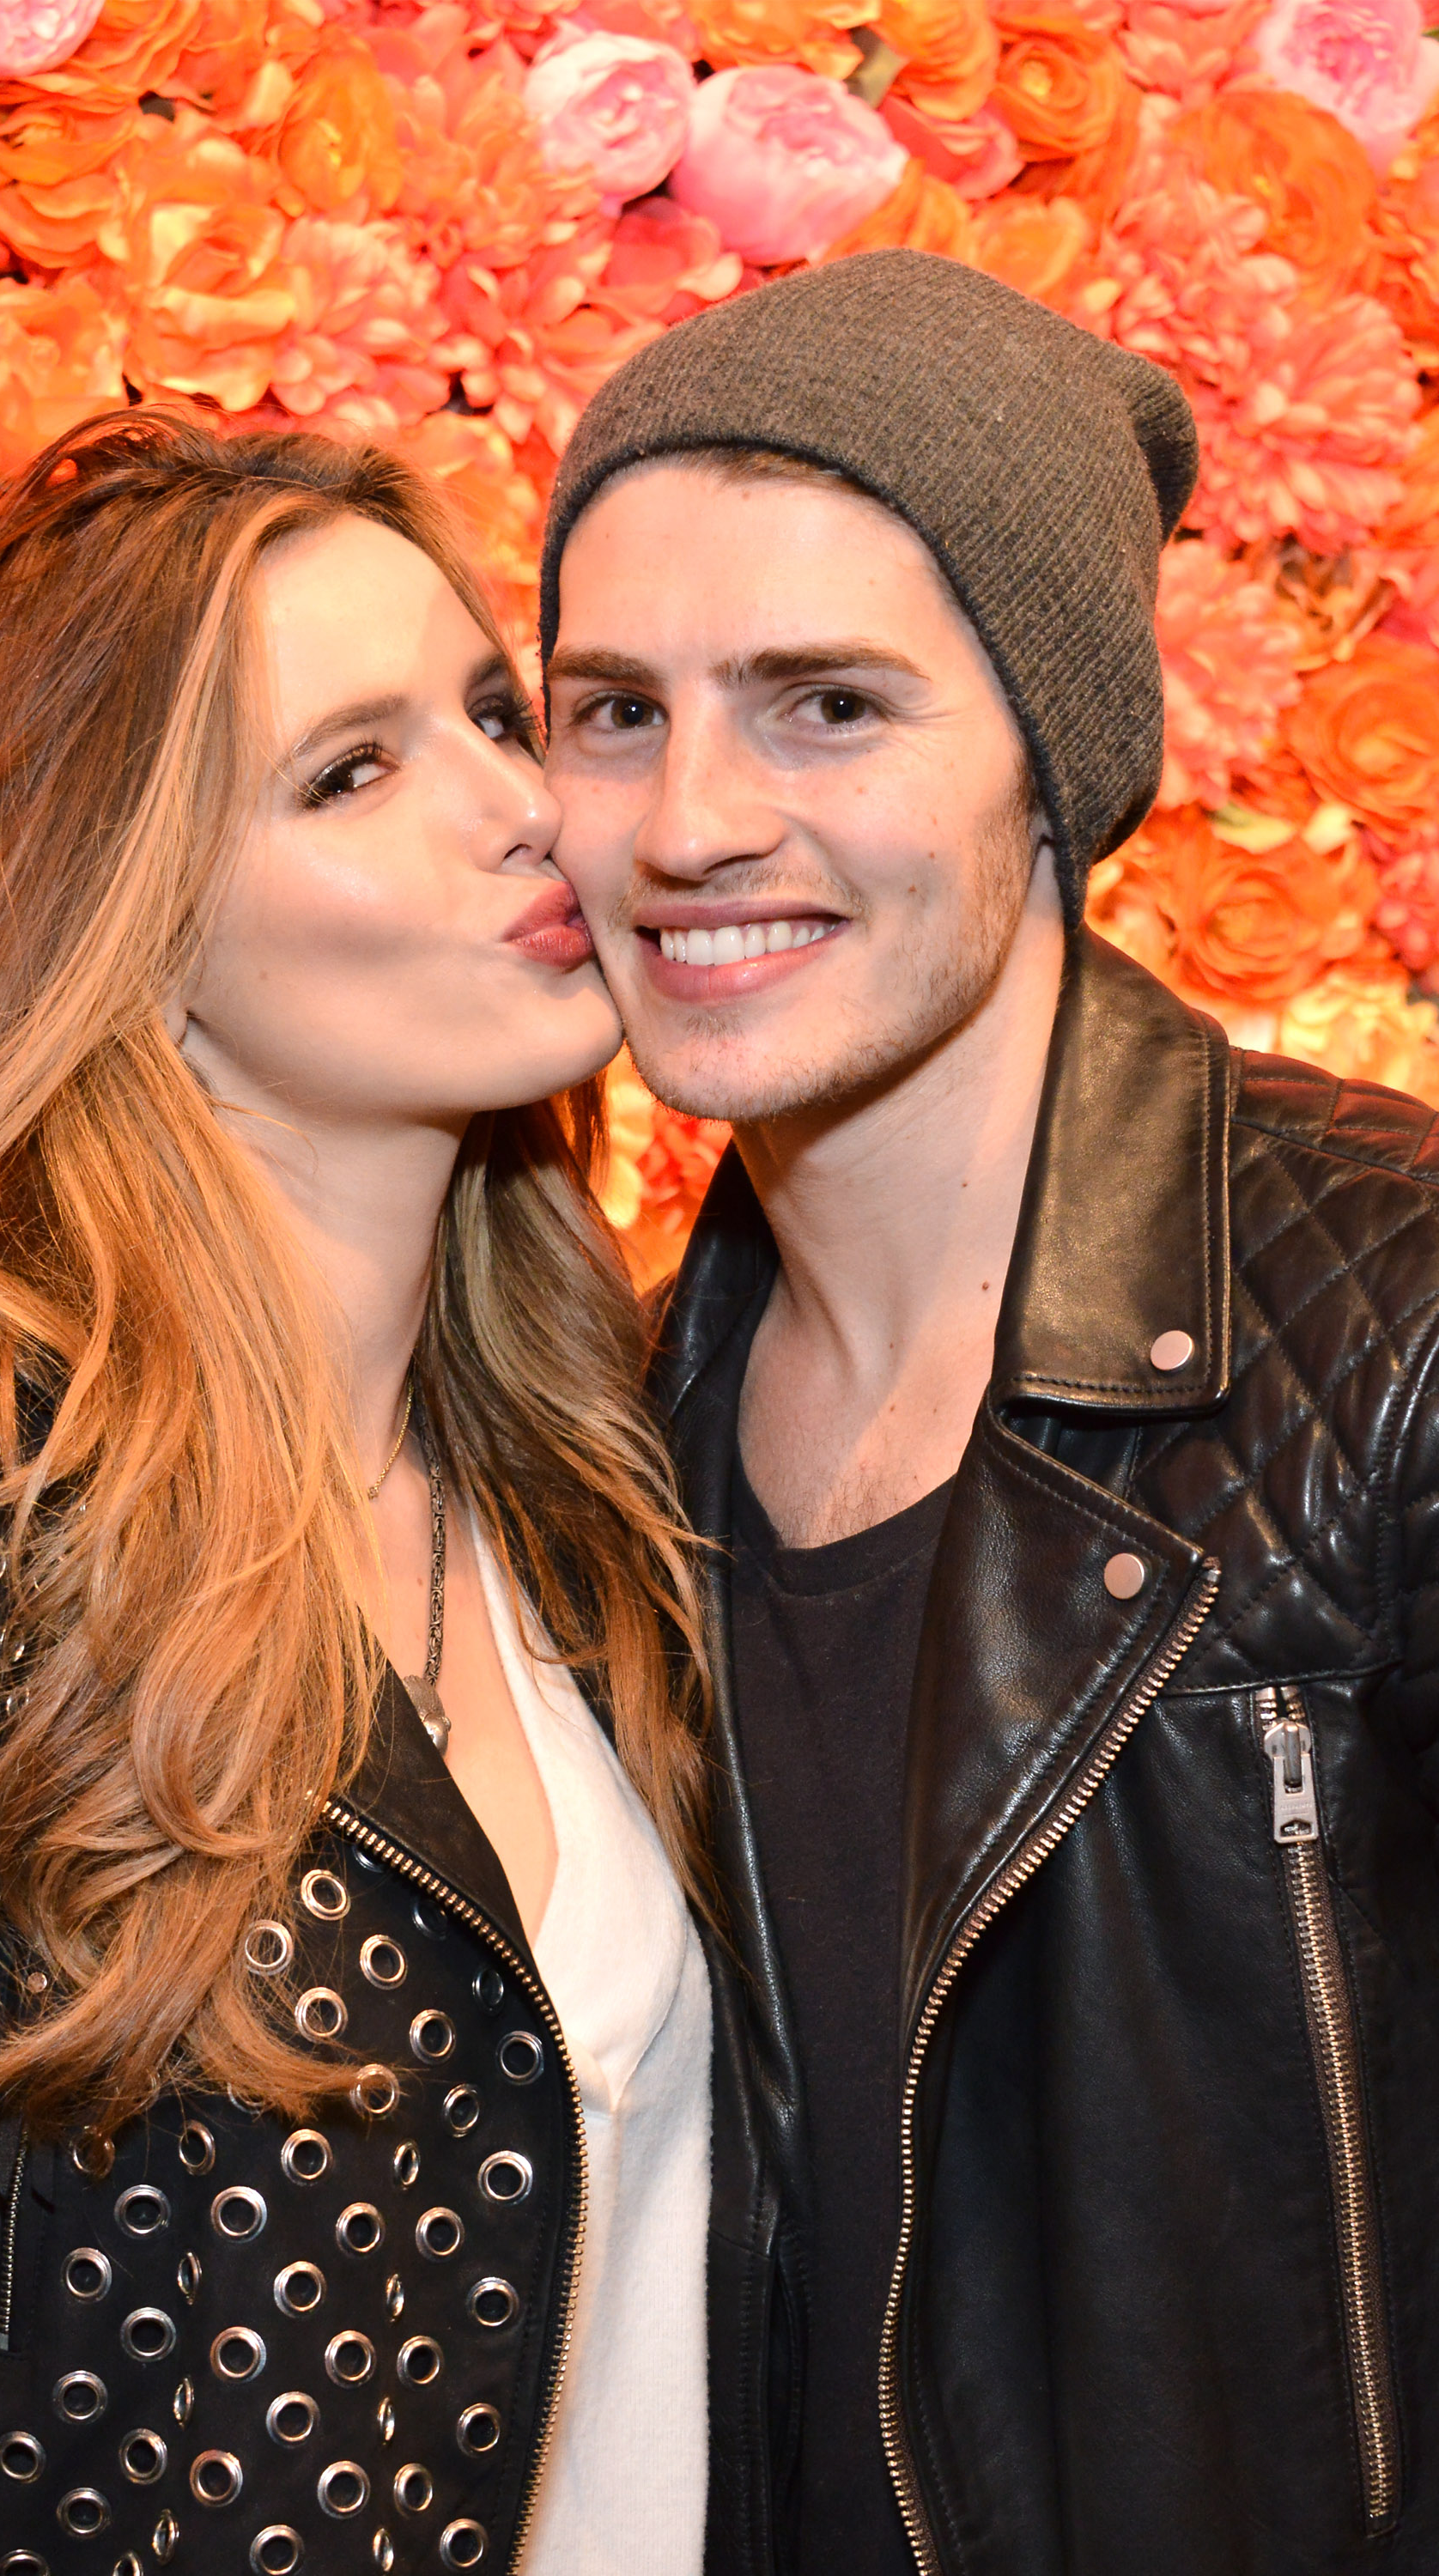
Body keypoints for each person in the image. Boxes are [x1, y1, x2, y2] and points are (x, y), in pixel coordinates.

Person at [0, 411, 720, 2575]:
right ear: (131, 925)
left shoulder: (587, 1470)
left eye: (488, 712)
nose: (520, 810)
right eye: (347, 772)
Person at [538, 247, 1439, 2576]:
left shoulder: (1398, 1329)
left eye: (825, 706)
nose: (689, 823)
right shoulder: (609, 1426)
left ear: (1052, 758)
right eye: (614, 711)